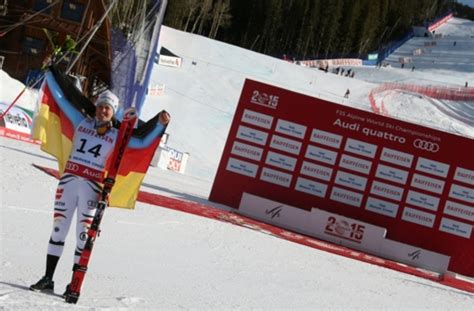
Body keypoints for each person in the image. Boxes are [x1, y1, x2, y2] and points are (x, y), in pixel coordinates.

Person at [29, 89, 170, 295]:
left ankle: (73, 284)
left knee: (83, 236)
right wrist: (51, 73)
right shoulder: (81, 122)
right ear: (96, 107)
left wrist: (160, 123)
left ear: (114, 113)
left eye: (108, 108)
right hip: (68, 182)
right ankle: (48, 278)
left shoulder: (117, 135)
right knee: (58, 229)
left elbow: (142, 142)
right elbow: (61, 100)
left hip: (91, 188)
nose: (104, 111)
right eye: (101, 106)